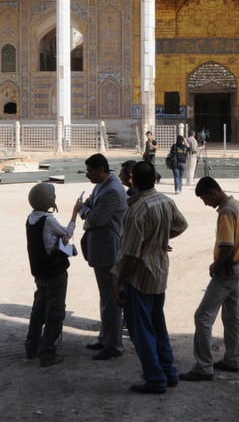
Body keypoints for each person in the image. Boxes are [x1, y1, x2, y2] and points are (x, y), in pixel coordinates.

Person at [114, 161, 188, 394]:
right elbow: (181, 225)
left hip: (139, 277)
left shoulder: (137, 210)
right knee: (158, 326)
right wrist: (159, 241)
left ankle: (155, 378)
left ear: (133, 180)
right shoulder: (165, 200)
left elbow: (131, 254)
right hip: (159, 273)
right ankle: (168, 372)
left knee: (142, 331)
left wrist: (119, 283)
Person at [179, 177, 239, 382]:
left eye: (204, 199)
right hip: (236, 267)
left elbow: (227, 245)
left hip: (226, 271)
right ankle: (233, 359)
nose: (205, 204)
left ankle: (203, 366)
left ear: (212, 192)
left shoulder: (226, 212)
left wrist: (215, 265)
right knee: (232, 314)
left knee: (202, 316)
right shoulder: (237, 205)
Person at [73, 154, 128, 360]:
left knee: (111, 299)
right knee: (106, 297)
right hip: (102, 248)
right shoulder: (102, 186)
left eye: (90, 171)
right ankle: (106, 339)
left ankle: (113, 346)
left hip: (109, 250)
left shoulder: (112, 190)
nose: (88, 175)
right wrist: (88, 210)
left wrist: (83, 212)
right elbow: (88, 206)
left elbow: (94, 218)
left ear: (100, 170)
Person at [25, 182, 79, 367]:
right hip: (54, 272)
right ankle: (47, 352)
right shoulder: (48, 220)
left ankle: (31, 347)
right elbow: (68, 233)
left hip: (40, 272)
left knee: (38, 309)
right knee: (55, 311)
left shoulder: (31, 219)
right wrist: (75, 213)